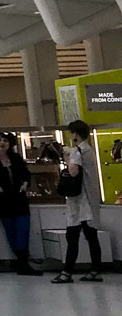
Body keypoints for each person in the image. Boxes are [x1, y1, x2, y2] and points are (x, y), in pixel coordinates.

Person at [53, 121, 104, 284]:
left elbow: (73, 171)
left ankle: (67, 272)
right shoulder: (89, 150)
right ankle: (95, 270)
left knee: (72, 236)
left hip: (79, 201)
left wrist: (67, 159)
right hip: (91, 197)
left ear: (75, 134)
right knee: (91, 236)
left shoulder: (77, 151)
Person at [0, 132, 39, 275]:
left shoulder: (16, 158)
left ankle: (23, 262)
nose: (2, 143)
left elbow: (26, 174)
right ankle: (20, 262)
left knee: (23, 229)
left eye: (5, 141)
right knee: (11, 231)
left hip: (19, 198)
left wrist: (25, 184)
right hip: (3, 199)